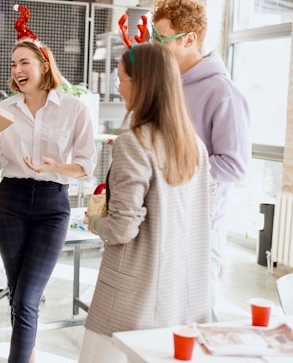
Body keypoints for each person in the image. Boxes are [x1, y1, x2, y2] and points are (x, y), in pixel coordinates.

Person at [79, 42, 215, 363]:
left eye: (120, 79)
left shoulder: (133, 143)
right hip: (182, 295)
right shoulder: (195, 146)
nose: (119, 88)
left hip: (132, 299)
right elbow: (203, 215)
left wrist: (95, 220)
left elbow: (123, 228)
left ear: (141, 84)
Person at [0, 4, 97, 363]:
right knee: (19, 296)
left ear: (44, 64)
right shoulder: (5, 108)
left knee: (26, 299)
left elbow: (87, 167)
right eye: (13, 65)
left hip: (52, 206)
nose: (17, 70)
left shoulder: (74, 109)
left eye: (23, 62)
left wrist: (55, 165)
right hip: (9, 203)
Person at [151, 0, 251, 321]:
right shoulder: (170, 86)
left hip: (200, 227)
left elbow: (234, 166)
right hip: (166, 218)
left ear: (189, 39)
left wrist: (175, 168)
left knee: (198, 319)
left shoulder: (223, 93)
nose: (154, 46)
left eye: (160, 39)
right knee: (166, 318)